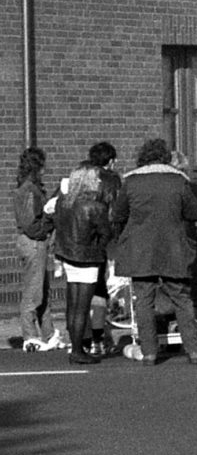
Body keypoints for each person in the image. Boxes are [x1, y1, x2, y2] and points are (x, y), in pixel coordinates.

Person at [110, 139, 197, 366]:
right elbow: (195, 212)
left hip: (140, 250)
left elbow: (117, 214)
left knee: (144, 300)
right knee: (182, 298)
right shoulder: (178, 180)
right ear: (165, 157)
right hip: (173, 247)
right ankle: (194, 351)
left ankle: (149, 352)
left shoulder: (131, 181)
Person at [52, 143, 118, 365]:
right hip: (88, 257)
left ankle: (76, 345)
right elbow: (106, 232)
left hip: (67, 254)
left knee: (72, 304)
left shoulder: (66, 201)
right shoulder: (95, 206)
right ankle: (78, 351)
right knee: (83, 306)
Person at [12, 148, 54, 352]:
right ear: (37, 167)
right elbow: (30, 223)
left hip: (30, 241)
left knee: (42, 289)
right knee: (34, 291)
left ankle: (49, 333)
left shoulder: (26, 187)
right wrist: (46, 227)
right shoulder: (30, 190)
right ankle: (30, 336)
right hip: (33, 241)